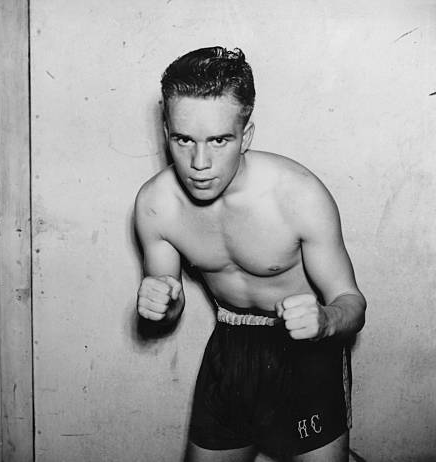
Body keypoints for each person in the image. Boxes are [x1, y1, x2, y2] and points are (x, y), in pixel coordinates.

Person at [134, 46, 366, 462]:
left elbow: (352, 303)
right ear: (166, 129)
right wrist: (161, 303)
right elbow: (170, 303)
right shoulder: (157, 205)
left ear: (247, 135)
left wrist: (326, 319)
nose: (199, 163)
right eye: (182, 139)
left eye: (219, 140)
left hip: (308, 353)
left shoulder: (297, 195)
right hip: (230, 347)